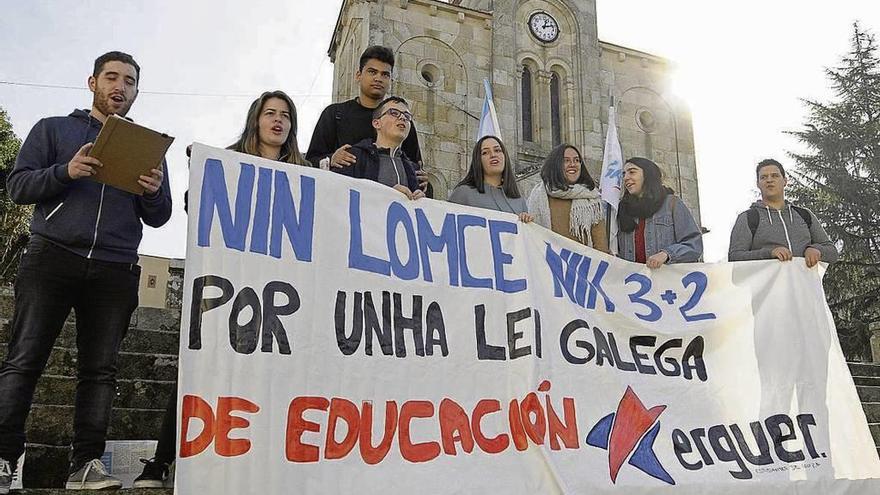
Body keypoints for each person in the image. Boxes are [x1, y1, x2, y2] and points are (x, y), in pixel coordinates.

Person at [0, 51, 171, 492]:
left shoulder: (148, 146)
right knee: (23, 361)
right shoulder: (54, 128)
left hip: (115, 268)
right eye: (111, 77)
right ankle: (3, 459)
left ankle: (86, 465)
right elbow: (18, 186)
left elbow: (160, 216)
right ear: (92, 82)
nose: (120, 86)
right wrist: (67, 170)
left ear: (136, 91)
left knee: (101, 371)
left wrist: (152, 193)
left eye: (129, 81)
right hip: (51, 255)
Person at [133, 90, 306, 489]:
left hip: (281, 294)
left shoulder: (305, 171)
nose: (278, 121)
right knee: (199, 369)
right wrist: (209, 171)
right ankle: (160, 462)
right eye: (270, 114)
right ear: (256, 119)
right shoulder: (228, 159)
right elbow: (198, 206)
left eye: (286, 116)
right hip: (229, 289)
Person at [306, 46, 428, 192]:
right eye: (372, 72)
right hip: (343, 199)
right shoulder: (335, 114)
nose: (378, 78)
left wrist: (422, 182)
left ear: (390, 81)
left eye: (385, 74)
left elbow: (414, 167)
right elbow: (310, 162)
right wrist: (331, 159)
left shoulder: (402, 122)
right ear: (358, 75)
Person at [728, 158, 837, 266]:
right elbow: (735, 257)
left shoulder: (804, 215)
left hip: (805, 283)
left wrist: (816, 250)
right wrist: (769, 253)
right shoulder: (748, 218)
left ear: (785, 181)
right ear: (758, 184)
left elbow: (832, 252)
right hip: (766, 284)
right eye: (763, 177)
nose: (769, 180)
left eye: (775, 175)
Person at [333, 96, 424, 200]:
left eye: (407, 116)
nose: (402, 118)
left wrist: (422, 201)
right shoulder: (352, 157)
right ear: (377, 123)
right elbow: (336, 197)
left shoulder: (414, 170)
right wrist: (386, 194)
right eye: (394, 113)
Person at [616, 157, 702, 267]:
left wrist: (666, 254)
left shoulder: (672, 204)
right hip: (633, 282)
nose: (626, 178)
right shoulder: (621, 210)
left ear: (648, 175)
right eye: (624, 174)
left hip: (667, 281)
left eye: (632, 172)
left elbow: (694, 244)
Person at [527, 144, 607, 251]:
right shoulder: (539, 195)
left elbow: (601, 248)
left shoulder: (592, 199)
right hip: (548, 264)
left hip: (581, 266)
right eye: (566, 161)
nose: (573, 164)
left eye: (577, 160)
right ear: (556, 164)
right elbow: (529, 237)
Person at [449, 135, 532, 222]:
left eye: (497, 150)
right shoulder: (463, 193)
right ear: (478, 161)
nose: (493, 155)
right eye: (485, 153)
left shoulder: (519, 202)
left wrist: (526, 222)